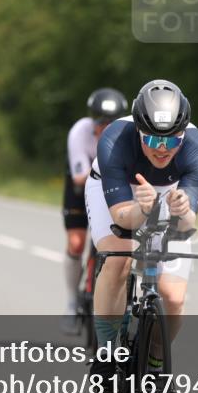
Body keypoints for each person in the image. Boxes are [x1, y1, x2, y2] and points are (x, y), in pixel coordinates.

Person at [86, 79, 198, 378]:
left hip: (169, 192)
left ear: (184, 134)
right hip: (123, 194)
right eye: (154, 140)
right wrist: (142, 208)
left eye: (172, 140)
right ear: (139, 131)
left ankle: (155, 363)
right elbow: (122, 218)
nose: (163, 149)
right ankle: (106, 353)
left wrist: (182, 210)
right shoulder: (114, 140)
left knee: (173, 296)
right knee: (119, 258)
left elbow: (187, 224)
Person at [60, 88, 129, 334]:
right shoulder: (80, 132)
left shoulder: (128, 135)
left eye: (111, 122)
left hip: (113, 187)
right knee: (77, 243)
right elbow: (80, 177)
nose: (105, 127)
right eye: (101, 122)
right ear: (93, 120)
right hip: (81, 187)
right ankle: (70, 302)